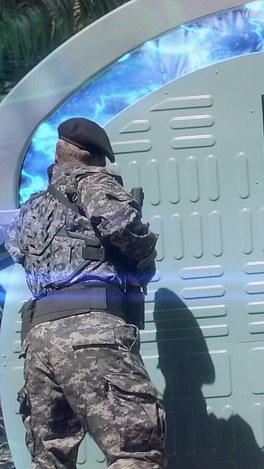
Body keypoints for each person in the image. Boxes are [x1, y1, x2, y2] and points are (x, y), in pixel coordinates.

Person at [5, 117, 167, 468]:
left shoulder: (32, 206)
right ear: (97, 159)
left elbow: (16, 250)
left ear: (57, 155)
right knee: (135, 450)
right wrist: (143, 258)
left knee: (50, 459)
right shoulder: (94, 183)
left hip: (39, 341)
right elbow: (123, 226)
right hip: (92, 333)